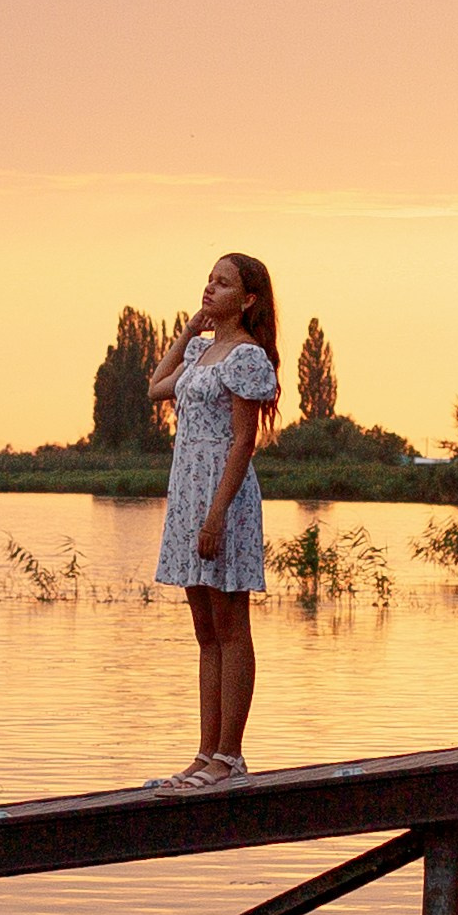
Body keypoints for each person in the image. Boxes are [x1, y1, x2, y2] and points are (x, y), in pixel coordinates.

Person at [146, 252, 280, 788]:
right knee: (205, 633)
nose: (210, 287)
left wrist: (217, 515)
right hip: (186, 495)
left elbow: (244, 441)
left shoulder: (246, 357)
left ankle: (231, 756)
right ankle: (205, 752)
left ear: (247, 300)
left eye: (223, 283)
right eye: (209, 279)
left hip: (222, 498)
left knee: (231, 628)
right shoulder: (202, 351)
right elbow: (157, 386)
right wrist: (186, 332)